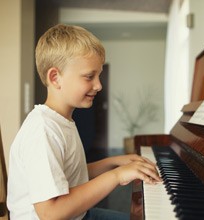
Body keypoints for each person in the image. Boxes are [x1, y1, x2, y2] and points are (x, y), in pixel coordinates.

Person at [7, 24, 161, 220]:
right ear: (55, 78)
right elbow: (50, 213)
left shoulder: (62, 120)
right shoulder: (43, 130)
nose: (98, 85)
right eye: (89, 77)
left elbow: (70, 174)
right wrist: (117, 175)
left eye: (99, 76)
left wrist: (114, 162)